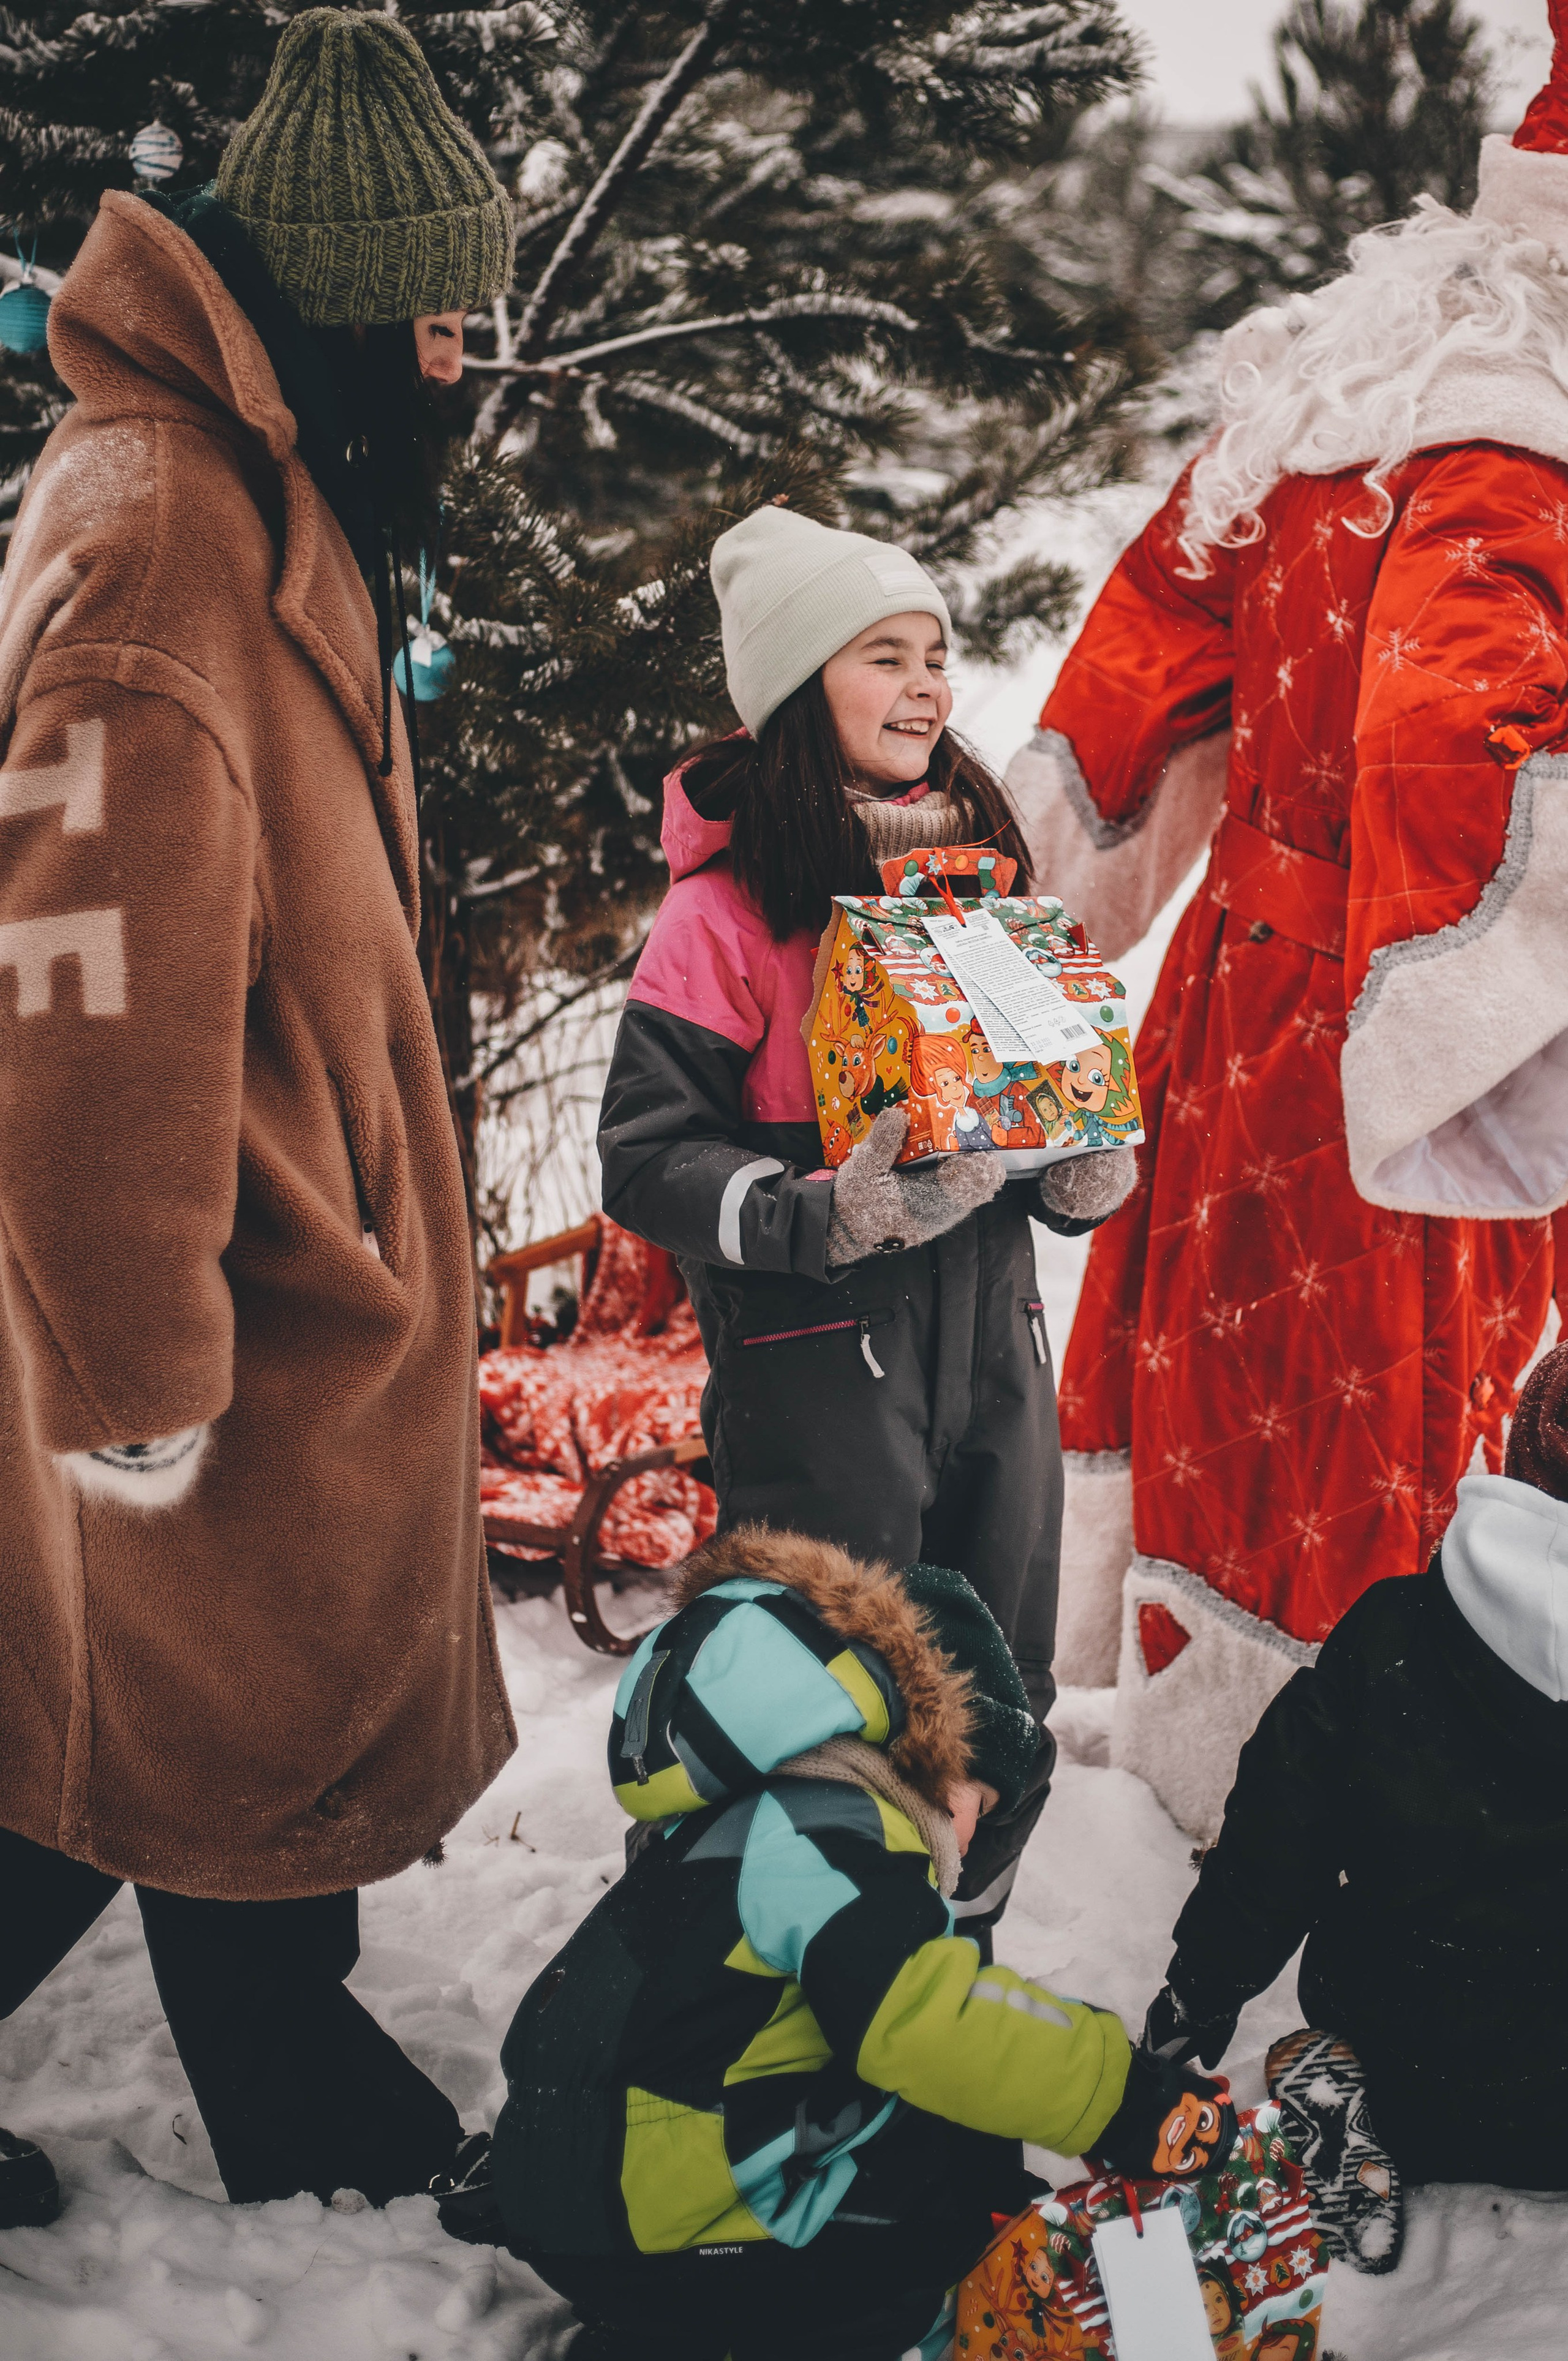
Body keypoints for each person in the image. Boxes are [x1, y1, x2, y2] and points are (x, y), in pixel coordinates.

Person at [0, 8, 517, 2229]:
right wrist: (138, 1365)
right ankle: (309, 2109)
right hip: (211, 1288)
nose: (465, 375)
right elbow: (79, 986)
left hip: (283, 1239)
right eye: (439, 327)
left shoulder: (248, 483)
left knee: (177, 1727)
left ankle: (302, 2091)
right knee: (142, 1732)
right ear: (331, 309)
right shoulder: (161, 532)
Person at [1003, 7, 1568, 1842]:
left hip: (1242, 1004)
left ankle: (1215, 1786)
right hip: (1412, 1050)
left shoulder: (1340, 391)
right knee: (1380, 1442)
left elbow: (1127, 682)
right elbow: (1458, 750)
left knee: (1237, 1402)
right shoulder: (1520, 444)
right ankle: (1347, 1826)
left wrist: (1008, 946)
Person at [596, 505, 1139, 1945]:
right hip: (817, 1377)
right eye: (881, 655)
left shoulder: (985, 893)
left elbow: (1034, 1110)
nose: (924, 687)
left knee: (995, 1693)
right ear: (795, 688)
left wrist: (1073, 1169)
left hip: (999, 1362)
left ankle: (943, 1976)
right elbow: (643, 1159)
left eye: (934, 655)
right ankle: (750, 1995)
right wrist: (817, 1212)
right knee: (814, 1692)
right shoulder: (720, 918)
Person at [460, 1529, 1232, 2361]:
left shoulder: (730, 1830)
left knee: (918, 2121)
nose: (971, 1837)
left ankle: (673, 2327)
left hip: (589, 2202)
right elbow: (934, 2022)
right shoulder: (829, 1835)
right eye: (977, 1801)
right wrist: (1123, 2097)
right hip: (663, 2228)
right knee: (926, 2231)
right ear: (928, 1755)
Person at [1137, 1339, 1568, 2281]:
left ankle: (1355, 2116)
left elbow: (1278, 1835)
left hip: (1403, 2046)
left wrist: (1197, 1997)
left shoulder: (1394, 1630)